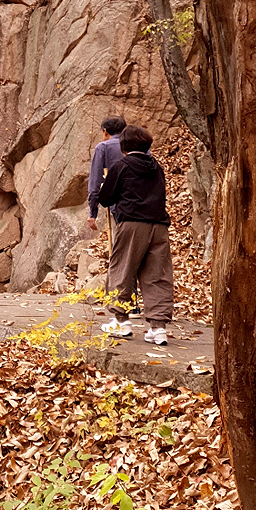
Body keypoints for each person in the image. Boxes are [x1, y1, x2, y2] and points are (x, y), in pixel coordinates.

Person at [97, 124, 173, 346]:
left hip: (131, 224)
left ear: (124, 146)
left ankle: (121, 321)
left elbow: (105, 198)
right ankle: (158, 329)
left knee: (123, 270)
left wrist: (105, 185)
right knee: (157, 275)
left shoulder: (121, 166)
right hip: (159, 226)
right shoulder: (156, 167)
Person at [87, 116, 126, 233]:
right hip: (147, 207)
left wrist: (93, 212)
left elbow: (95, 182)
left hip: (121, 207)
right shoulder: (139, 145)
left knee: (120, 247)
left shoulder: (103, 147)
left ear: (105, 131)